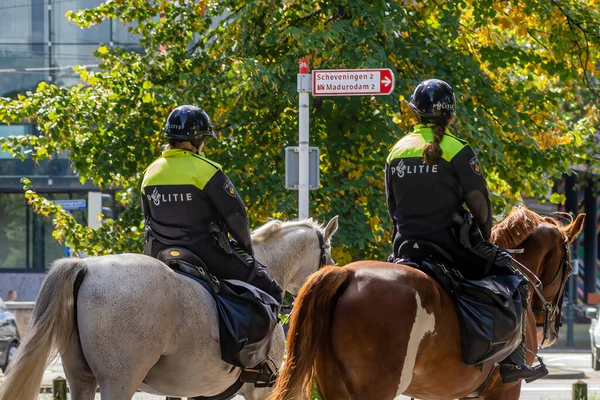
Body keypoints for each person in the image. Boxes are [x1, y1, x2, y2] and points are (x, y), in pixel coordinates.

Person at [384, 79, 547, 383]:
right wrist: (486, 236)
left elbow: (392, 206)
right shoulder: (458, 150)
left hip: (405, 248)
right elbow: (479, 204)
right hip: (452, 248)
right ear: (450, 116)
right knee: (513, 280)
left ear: (415, 113)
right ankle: (513, 363)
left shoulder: (397, 150)